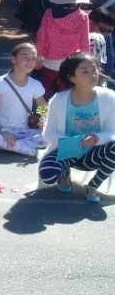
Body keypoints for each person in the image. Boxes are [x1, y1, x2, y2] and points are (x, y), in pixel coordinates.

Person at [38, 52, 115, 203]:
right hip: (67, 150)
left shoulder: (110, 97)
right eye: (85, 71)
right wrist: (73, 142)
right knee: (48, 174)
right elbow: (49, 133)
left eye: (94, 69)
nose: (92, 74)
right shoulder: (58, 100)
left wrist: (95, 138)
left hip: (93, 153)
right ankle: (64, 175)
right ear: (72, 77)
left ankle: (93, 186)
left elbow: (113, 131)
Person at [0, 42, 47, 157]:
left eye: (33, 58)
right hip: (0, 129)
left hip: (24, 131)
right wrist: (3, 131)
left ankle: (12, 146)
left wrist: (43, 122)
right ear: (13, 59)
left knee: (52, 136)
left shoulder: (35, 85)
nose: (30, 61)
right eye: (25, 57)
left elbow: (44, 109)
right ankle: (24, 148)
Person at [36, 0, 91, 99]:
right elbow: (84, 43)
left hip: (49, 61)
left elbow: (41, 36)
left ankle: (44, 114)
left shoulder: (49, 14)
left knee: (46, 91)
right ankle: (64, 114)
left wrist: (39, 56)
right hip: (71, 63)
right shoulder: (82, 17)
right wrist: (86, 60)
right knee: (67, 93)